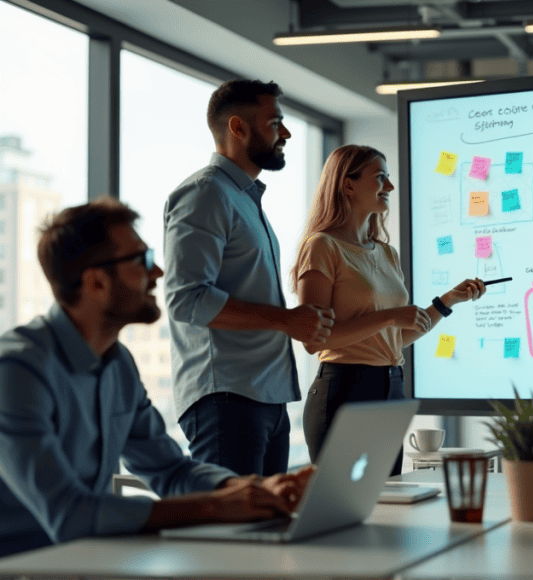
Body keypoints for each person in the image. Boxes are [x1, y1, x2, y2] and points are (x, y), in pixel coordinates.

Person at [0, 199, 314, 557]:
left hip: (84, 559)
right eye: (142, 260)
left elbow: (170, 469)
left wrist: (253, 487)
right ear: (96, 281)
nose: (158, 273)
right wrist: (215, 507)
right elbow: (69, 515)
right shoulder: (17, 371)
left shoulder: (118, 364)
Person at [164, 79, 334, 475]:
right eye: (276, 122)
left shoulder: (243, 199)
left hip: (266, 399)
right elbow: (186, 299)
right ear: (238, 128)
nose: (287, 133)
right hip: (226, 399)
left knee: (268, 530)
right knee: (235, 535)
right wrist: (285, 320)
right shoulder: (205, 193)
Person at [291, 145, 485, 474]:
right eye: (380, 177)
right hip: (346, 391)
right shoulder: (323, 246)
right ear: (348, 184)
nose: (390, 187)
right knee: (347, 507)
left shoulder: (387, 253)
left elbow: (396, 337)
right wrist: (390, 316)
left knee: (387, 505)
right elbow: (314, 340)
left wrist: (447, 301)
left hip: (391, 387)